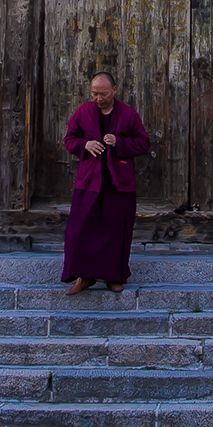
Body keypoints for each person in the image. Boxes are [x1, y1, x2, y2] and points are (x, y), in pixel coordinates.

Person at [61, 72, 151, 295]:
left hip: (118, 182)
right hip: (89, 180)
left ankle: (114, 277)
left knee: (115, 230)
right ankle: (85, 276)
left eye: (103, 94)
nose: (98, 98)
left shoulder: (128, 115)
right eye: (94, 94)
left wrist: (119, 142)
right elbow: (69, 139)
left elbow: (143, 143)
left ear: (114, 90)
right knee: (79, 230)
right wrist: (86, 145)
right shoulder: (83, 112)